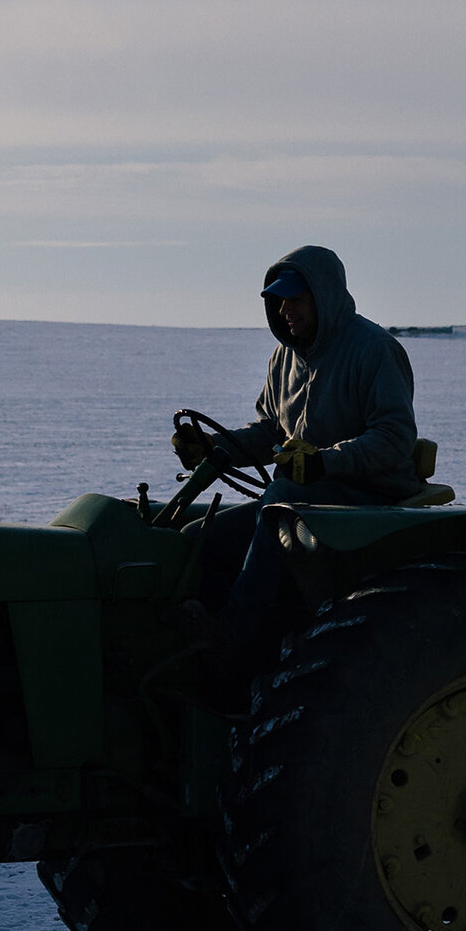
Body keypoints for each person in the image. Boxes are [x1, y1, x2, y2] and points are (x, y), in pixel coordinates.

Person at [175, 244, 421, 656]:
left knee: (281, 498)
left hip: (370, 495)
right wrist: (212, 446)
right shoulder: (284, 357)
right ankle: (217, 647)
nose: (284, 309)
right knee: (202, 537)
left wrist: (323, 462)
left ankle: (233, 635)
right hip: (306, 497)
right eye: (278, 300)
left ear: (324, 295)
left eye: (295, 299)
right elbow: (271, 431)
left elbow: (394, 437)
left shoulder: (374, 350)